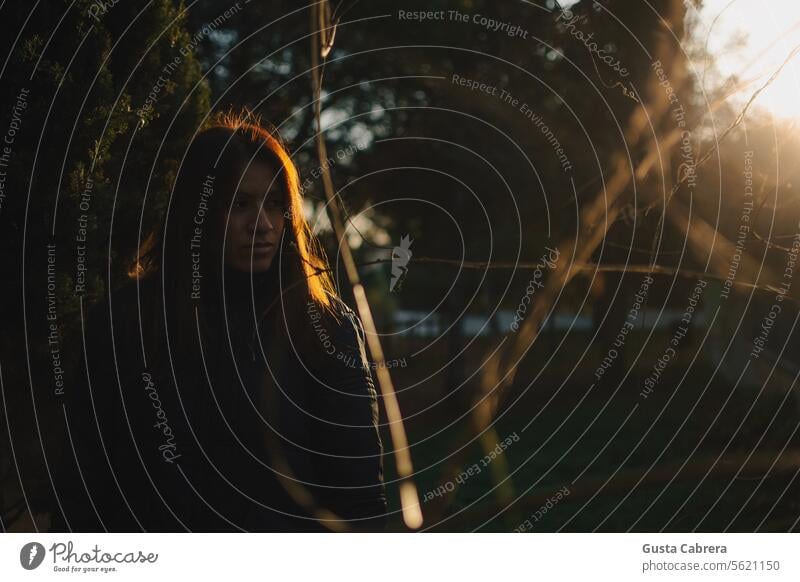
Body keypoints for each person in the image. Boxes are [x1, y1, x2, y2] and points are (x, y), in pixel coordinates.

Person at [56, 112, 386, 532]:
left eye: (274, 204)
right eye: (239, 204)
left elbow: (358, 497)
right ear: (198, 212)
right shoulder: (130, 321)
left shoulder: (322, 325)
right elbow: (86, 485)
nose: (263, 225)